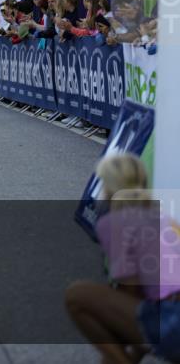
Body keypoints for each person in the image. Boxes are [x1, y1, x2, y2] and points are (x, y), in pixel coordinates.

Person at [65, 153, 180, 364]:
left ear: (109, 188)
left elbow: (131, 290)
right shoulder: (165, 218)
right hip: (169, 310)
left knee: (77, 295)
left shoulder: (115, 223)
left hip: (172, 320)